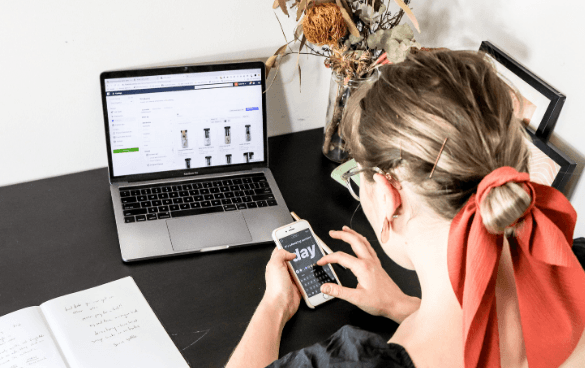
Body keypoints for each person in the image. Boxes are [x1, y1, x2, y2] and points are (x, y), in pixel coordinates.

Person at [225, 50, 585, 368]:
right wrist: (402, 307)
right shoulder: (572, 265)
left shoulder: (350, 361)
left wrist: (275, 305)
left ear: (388, 196)